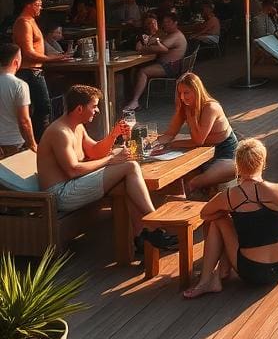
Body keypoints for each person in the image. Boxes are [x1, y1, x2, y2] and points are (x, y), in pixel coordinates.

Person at [37, 84, 178, 251]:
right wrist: (110, 160)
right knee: (130, 167)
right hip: (60, 194)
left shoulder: (77, 126)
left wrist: (114, 134)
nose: (97, 111)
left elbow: (95, 151)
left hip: (74, 184)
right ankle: (156, 222)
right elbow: (72, 170)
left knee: (126, 178)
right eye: (94, 106)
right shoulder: (60, 132)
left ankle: (141, 234)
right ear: (80, 108)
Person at [183, 139, 278, 298]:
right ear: (263, 162)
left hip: (253, 271)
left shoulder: (229, 196)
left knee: (219, 221)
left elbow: (205, 214)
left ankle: (207, 280)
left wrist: (228, 214)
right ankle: (219, 274)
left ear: (237, 165)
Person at [154, 73, 237, 192]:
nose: (182, 97)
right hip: (203, 150)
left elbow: (198, 140)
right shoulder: (185, 107)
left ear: (196, 90)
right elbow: (170, 134)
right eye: (180, 93)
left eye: (186, 92)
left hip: (224, 151)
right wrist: (152, 145)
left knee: (194, 183)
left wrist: (174, 143)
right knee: (176, 175)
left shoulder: (210, 107)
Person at [13, 0, 69, 140]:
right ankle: (40, 141)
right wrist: (54, 58)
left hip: (36, 70)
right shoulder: (23, 22)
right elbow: (28, 53)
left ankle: (41, 140)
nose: (41, 7)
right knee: (42, 108)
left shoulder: (31, 21)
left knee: (42, 108)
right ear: (28, 5)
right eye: (38, 4)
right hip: (29, 71)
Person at [125, 12, 188, 112]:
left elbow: (160, 49)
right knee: (137, 68)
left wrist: (142, 48)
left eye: (168, 22)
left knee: (143, 71)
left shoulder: (176, 35)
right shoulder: (171, 34)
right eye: (164, 22)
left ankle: (135, 101)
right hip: (169, 65)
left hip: (170, 67)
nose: (165, 24)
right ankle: (135, 95)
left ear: (175, 23)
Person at [0, 44, 35, 157]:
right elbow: (24, 120)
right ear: (16, 62)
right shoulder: (19, 85)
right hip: (14, 142)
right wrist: (32, 144)